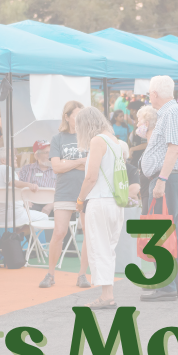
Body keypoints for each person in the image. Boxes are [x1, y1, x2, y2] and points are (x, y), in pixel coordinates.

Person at [139, 75, 178, 302]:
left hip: (169, 179)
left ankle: (167, 286)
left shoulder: (170, 113)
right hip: (177, 178)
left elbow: (173, 150)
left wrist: (161, 180)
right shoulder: (176, 112)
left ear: (154, 94)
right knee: (175, 233)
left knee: (164, 232)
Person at [74, 107, 124, 309]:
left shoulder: (97, 141)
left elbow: (91, 177)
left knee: (99, 247)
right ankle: (107, 293)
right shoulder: (115, 141)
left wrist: (79, 200)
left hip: (100, 201)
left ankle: (106, 295)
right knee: (108, 248)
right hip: (115, 201)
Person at [40, 100, 92, 290]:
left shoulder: (89, 137)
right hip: (64, 191)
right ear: (67, 117)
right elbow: (56, 167)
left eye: (81, 116)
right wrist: (79, 161)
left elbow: (92, 164)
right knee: (59, 232)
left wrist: (67, 163)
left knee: (87, 233)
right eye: (76, 116)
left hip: (86, 191)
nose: (79, 120)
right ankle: (50, 274)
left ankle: (82, 275)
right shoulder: (58, 139)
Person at [0, 147, 49, 229]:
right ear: (3, 160)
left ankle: (17, 236)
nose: (16, 158)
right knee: (44, 217)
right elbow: (14, 183)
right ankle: (20, 235)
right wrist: (29, 185)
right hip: (14, 215)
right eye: (12, 156)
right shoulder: (6, 168)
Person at [18, 140, 57, 216]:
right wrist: (24, 200)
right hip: (30, 206)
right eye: (46, 152)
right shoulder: (26, 169)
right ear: (36, 156)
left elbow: (64, 192)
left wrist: (51, 205)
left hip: (53, 206)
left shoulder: (58, 169)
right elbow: (17, 188)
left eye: (51, 151)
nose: (50, 155)